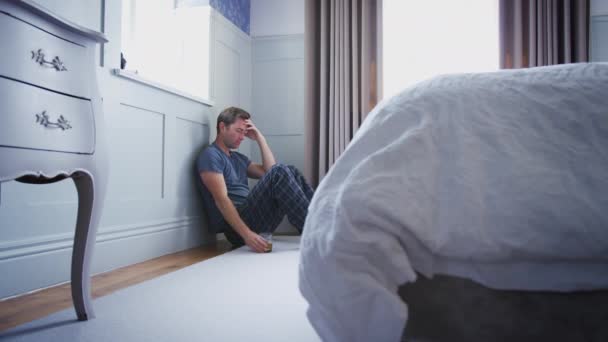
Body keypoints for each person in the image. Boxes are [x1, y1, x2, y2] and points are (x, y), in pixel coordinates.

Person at [197, 106, 314, 253]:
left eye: (244, 133)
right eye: (239, 131)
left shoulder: (238, 158)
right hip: (237, 229)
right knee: (280, 171)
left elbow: (268, 170)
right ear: (222, 127)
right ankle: (315, 232)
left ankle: (320, 222)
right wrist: (247, 235)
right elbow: (221, 199)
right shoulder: (211, 155)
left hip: (254, 217)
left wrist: (260, 138)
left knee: (290, 170)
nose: (242, 137)